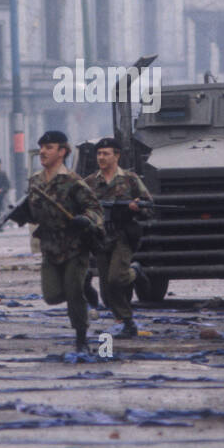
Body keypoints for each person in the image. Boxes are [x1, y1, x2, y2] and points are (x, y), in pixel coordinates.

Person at [8, 130, 104, 353]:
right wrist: (21, 216)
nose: (42, 152)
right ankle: (87, 283)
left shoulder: (73, 181)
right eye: (41, 147)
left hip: (75, 246)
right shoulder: (35, 182)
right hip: (50, 247)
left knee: (73, 292)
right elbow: (35, 212)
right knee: (51, 296)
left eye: (49, 147)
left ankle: (81, 337)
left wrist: (86, 219)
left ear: (62, 152)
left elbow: (95, 209)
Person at [84, 136, 153, 338]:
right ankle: (127, 322)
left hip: (123, 235)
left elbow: (149, 206)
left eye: (106, 153)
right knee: (107, 292)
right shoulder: (89, 182)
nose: (101, 157)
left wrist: (136, 207)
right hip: (100, 239)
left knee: (116, 279)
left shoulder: (130, 179)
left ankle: (134, 271)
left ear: (117, 156)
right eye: (99, 153)